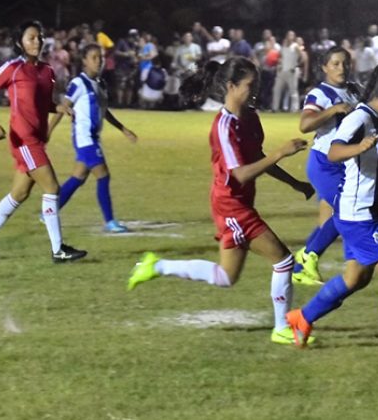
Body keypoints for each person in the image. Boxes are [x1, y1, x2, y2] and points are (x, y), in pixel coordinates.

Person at [127, 57, 316, 345]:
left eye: (257, 84)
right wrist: (281, 152)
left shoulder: (250, 117)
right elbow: (239, 174)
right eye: (250, 85)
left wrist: (294, 183)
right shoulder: (224, 126)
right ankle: (281, 328)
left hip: (238, 202)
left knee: (226, 276)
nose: (255, 91)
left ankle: (156, 266)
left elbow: (256, 158)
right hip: (231, 204)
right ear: (231, 85)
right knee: (284, 261)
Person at [285, 64, 378, 362]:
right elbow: (334, 150)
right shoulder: (361, 118)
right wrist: (358, 148)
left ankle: (302, 318)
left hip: (362, 213)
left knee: (356, 278)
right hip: (360, 215)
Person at [0, 20, 86, 263]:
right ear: (19, 43)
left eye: (39, 37)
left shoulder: (47, 71)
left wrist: (61, 109)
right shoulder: (12, 68)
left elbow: (44, 104)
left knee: (19, 193)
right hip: (23, 139)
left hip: (36, 139)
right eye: (31, 38)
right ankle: (58, 250)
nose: (37, 42)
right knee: (53, 188)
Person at [51, 43, 138, 233]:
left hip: (93, 138)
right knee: (103, 175)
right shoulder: (78, 83)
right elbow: (63, 107)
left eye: (100, 57)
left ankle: (49, 212)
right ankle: (110, 221)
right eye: (94, 57)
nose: (99, 61)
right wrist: (48, 131)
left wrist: (123, 129)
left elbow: (104, 111)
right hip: (84, 138)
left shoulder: (101, 84)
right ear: (84, 61)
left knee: (78, 177)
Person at [293, 47, 361, 286]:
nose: (341, 68)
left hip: (348, 163)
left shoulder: (354, 90)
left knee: (341, 214)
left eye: (344, 63)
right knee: (347, 211)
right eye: (335, 64)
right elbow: (305, 124)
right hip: (325, 163)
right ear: (324, 67)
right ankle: (309, 257)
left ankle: (304, 261)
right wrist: (332, 110)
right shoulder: (319, 94)